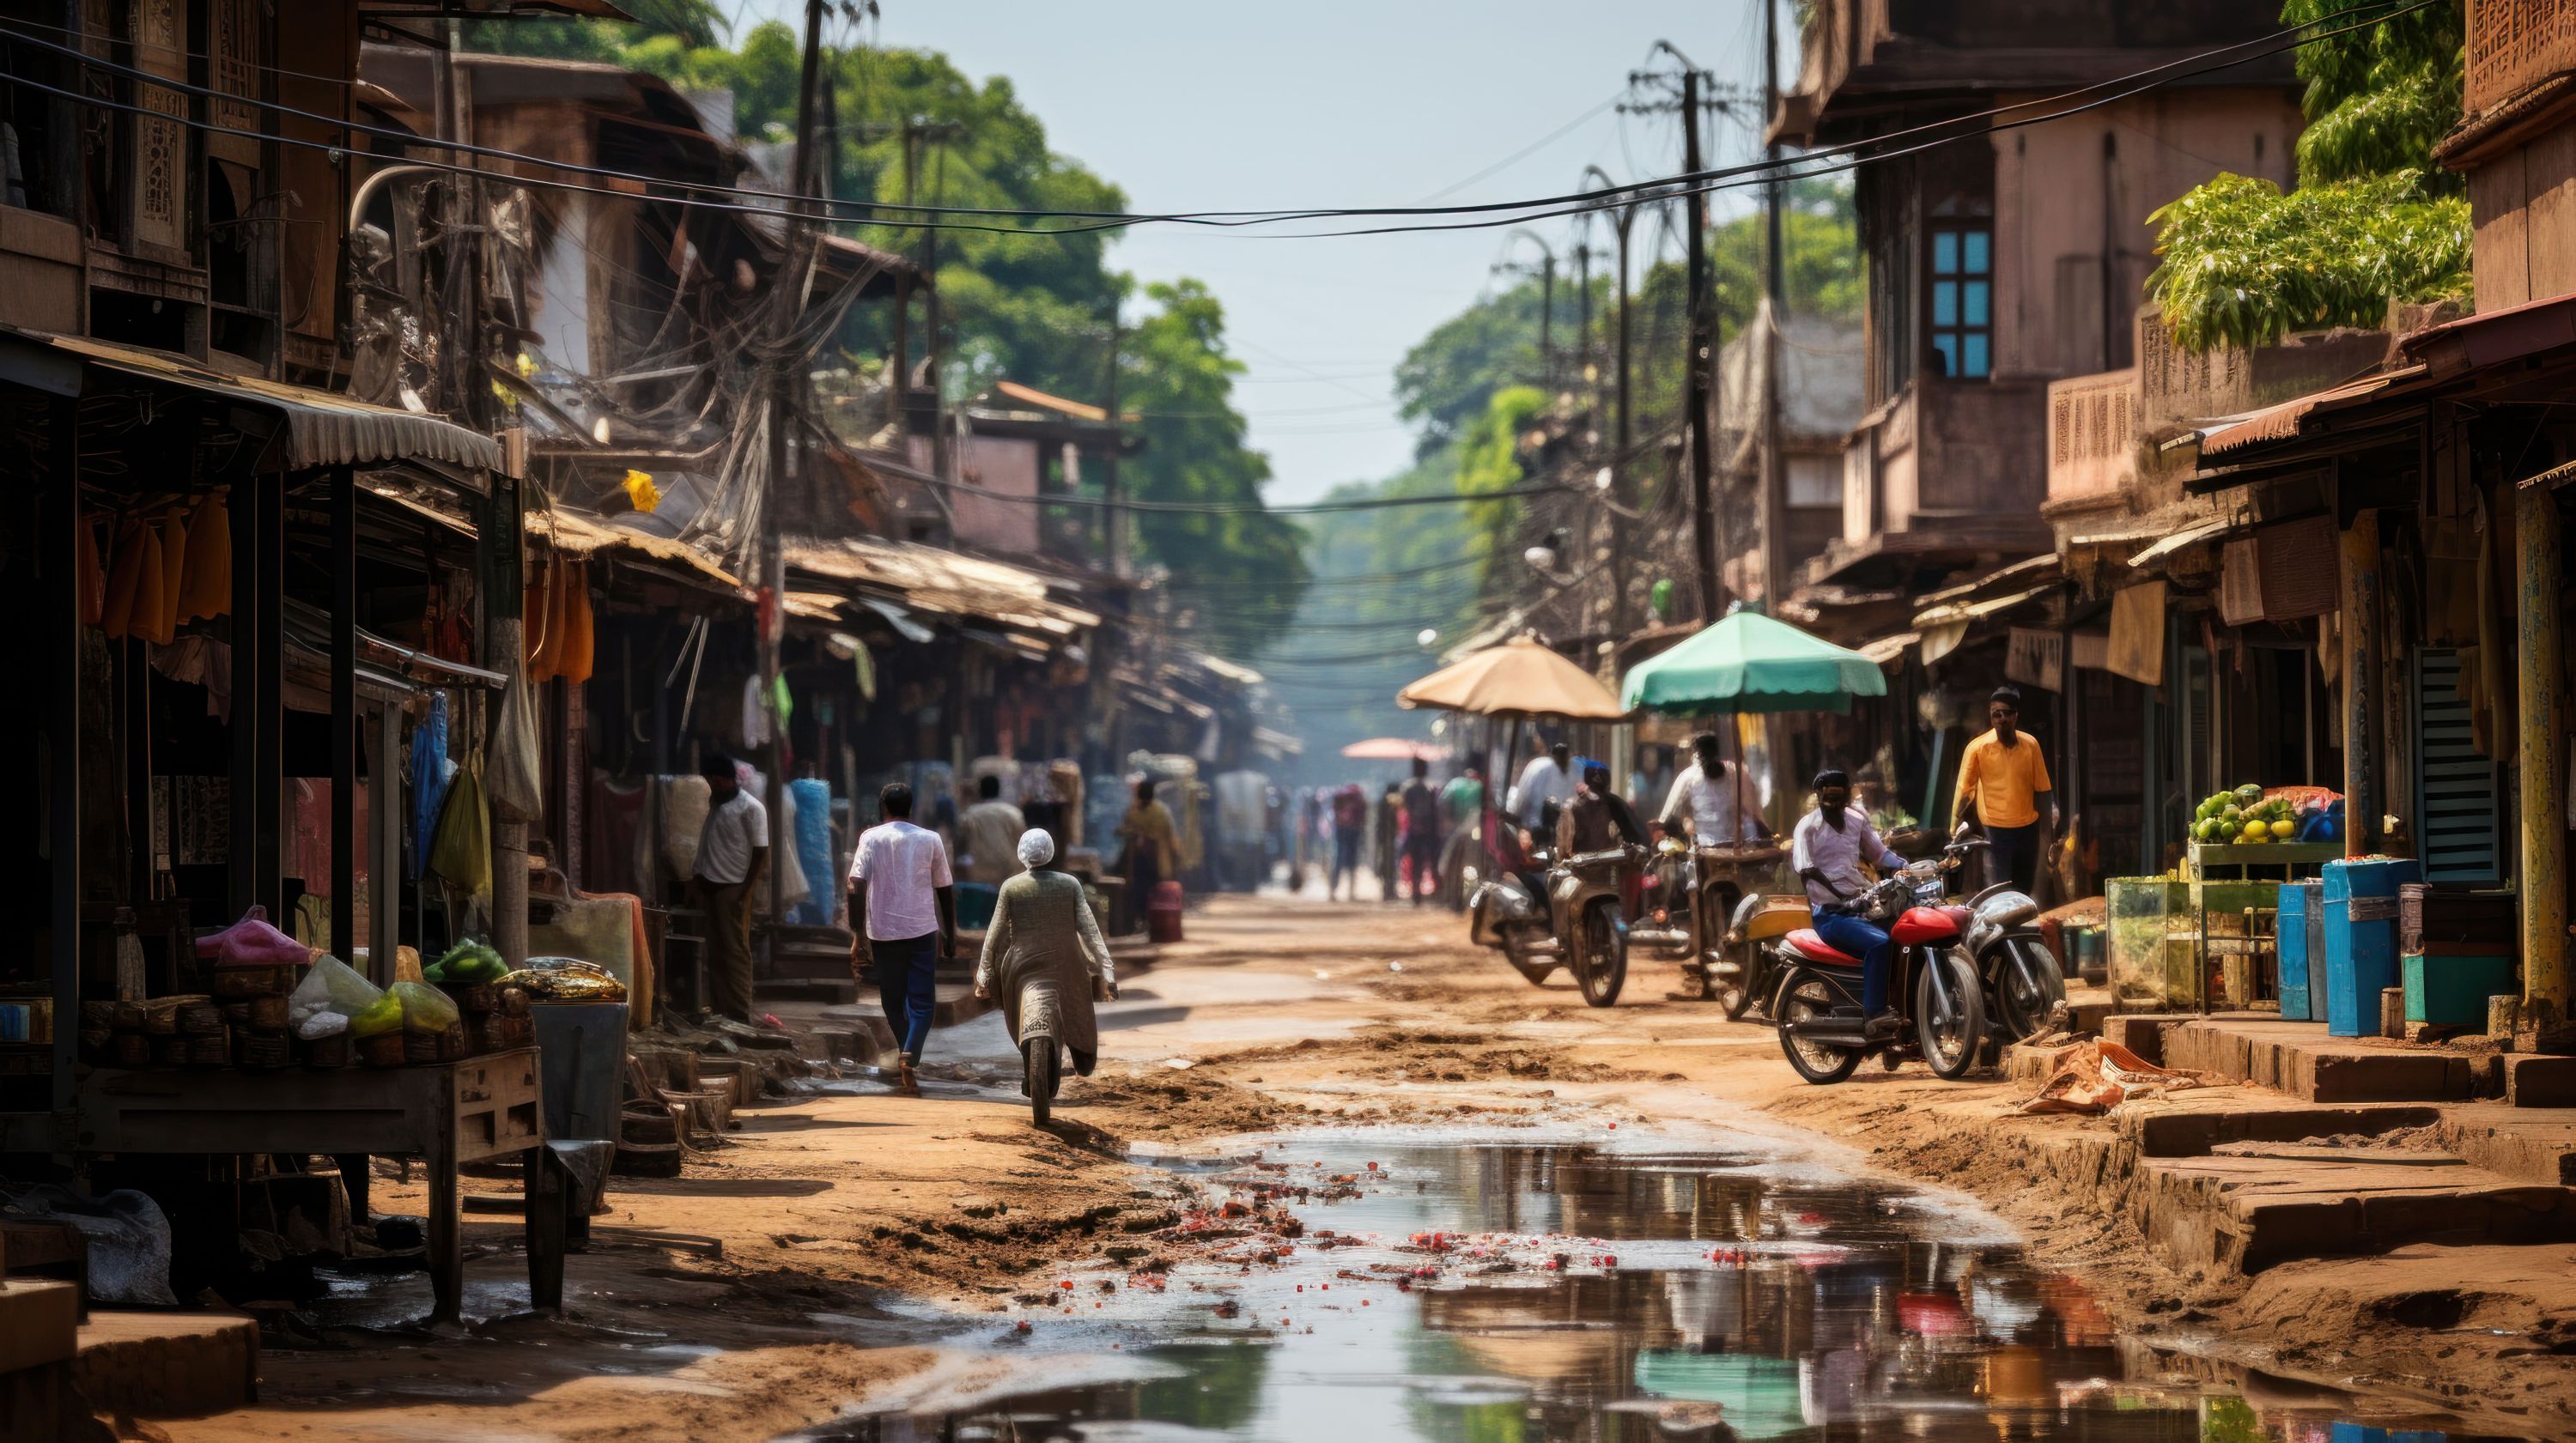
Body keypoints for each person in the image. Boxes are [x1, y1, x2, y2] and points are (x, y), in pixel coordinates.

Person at [974, 828, 1118, 1087]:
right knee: (1078, 1005)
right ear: (1051, 852)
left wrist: (984, 972)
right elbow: (1089, 929)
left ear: (1021, 854)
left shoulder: (1011, 886)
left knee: (1008, 1000)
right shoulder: (1070, 884)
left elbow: (993, 935)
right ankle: (1081, 1050)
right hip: (1068, 966)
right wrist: (1107, 969)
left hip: (1021, 967)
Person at [848, 783, 957, 1094]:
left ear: (883, 807)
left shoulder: (870, 838)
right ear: (912, 807)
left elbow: (854, 886)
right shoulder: (931, 839)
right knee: (922, 1003)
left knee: (892, 1001)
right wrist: (950, 932)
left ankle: (906, 1053)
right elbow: (945, 889)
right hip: (922, 929)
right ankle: (910, 1055)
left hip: (882, 931)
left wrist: (858, 935)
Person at [1793, 768, 1911, 1040]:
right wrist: (1841, 896)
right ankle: (1874, 1013)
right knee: (1879, 943)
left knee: (1905, 933)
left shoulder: (1857, 822)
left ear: (1847, 795)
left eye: (1838, 798)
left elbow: (1880, 855)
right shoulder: (1807, 827)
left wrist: (1906, 867)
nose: (1832, 805)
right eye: (1827, 799)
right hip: (1831, 915)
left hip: (1863, 905)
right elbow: (1807, 871)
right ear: (1819, 797)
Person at [1954, 685, 2057, 895]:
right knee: (2000, 888)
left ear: (2016, 715)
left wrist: (2048, 835)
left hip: (2027, 827)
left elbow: (2043, 789)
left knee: (2023, 889)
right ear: (1991, 718)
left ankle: (2022, 927)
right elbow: (1965, 791)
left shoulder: (2031, 745)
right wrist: (1955, 828)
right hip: (1995, 829)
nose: (2001, 719)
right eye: (1996, 714)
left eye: (2007, 713)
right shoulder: (1978, 748)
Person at [690, 752, 769, 1023]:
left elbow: (760, 851)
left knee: (735, 950)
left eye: (714, 780)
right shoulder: (716, 804)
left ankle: (739, 1010)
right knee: (715, 950)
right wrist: (697, 875)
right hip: (711, 883)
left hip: (733, 886)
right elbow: (709, 842)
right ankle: (720, 1007)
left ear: (724, 779)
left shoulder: (751, 808)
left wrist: (745, 890)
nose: (712, 785)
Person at [1661, 732, 1767, 846]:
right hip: (1735, 848)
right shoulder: (1737, 772)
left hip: (1704, 849)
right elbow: (1754, 812)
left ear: (1695, 753)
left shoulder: (1688, 776)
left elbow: (1667, 815)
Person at [1558, 763, 1647, 856]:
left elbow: (1634, 833)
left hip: (1610, 861)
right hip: (1580, 862)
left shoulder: (1616, 804)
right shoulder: (1573, 807)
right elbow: (1565, 842)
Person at [1120, 778, 1181, 909]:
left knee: (1148, 889)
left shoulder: (1150, 812)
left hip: (1151, 859)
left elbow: (1167, 836)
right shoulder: (1158, 812)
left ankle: (1146, 917)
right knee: (1142, 889)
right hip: (1142, 860)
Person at [957, 774, 1027, 887]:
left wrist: (965, 800)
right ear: (999, 790)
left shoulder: (971, 814)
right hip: (1011, 875)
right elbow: (1023, 841)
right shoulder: (1013, 813)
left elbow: (960, 837)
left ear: (980, 791)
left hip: (982, 876)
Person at [1400, 757, 1444, 906]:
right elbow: (1436, 810)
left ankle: (1416, 895)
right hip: (1429, 832)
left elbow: (1406, 808)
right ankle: (1437, 894)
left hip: (1415, 831)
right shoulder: (1431, 788)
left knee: (1417, 864)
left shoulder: (1408, 788)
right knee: (1432, 862)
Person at [1507, 742, 1577, 833]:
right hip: (1559, 829)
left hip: (1534, 827)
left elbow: (1523, 799)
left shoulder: (1537, 766)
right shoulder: (1570, 770)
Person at [1327, 782, 1369, 900]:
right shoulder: (1359, 800)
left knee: (1339, 861)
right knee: (1352, 862)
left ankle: (1333, 891)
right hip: (1353, 831)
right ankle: (1351, 892)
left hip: (1342, 830)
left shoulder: (1340, 797)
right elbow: (1363, 818)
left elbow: (1335, 813)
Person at [1375, 782, 1404, 903]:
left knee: (1387, 865)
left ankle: (1387, 891)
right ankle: (1389, 891)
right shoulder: (1395, 802)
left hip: (1384, 839)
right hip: (1391, 839)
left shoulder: (1383, 802)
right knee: (1391, 866)